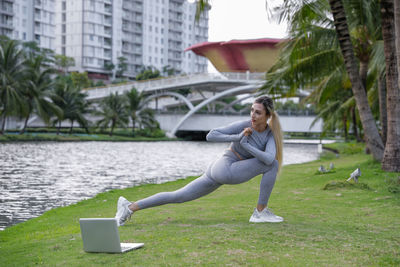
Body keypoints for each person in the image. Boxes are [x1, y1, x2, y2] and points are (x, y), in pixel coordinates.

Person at [115, 95, 284, 226]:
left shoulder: (270, 134)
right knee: (273, 165)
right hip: (225, 167)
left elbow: (269, 157)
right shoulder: (243, 125)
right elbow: (211, 135)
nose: (253, 115)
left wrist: (247, 146)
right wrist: (238, 137)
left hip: (220, 171)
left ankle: (129, 207)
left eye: (258, 112)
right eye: (252, 110)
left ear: (268, 116)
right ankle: (260, 212)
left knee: (178, 196)